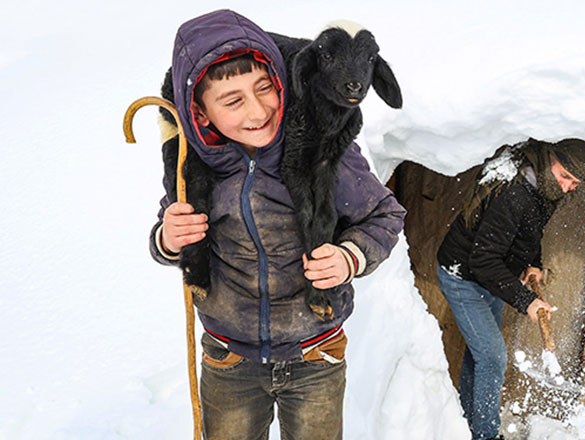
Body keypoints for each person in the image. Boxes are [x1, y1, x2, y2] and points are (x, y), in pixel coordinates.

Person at [148, 10, 405, 440]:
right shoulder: (195, 168)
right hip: (227, 358)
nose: (257, 110)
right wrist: (168, 239)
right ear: (201, 114)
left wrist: (349, 256)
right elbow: (168, 227)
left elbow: (385, 215)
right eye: (232, 101)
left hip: (314, 355)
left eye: (264, 88)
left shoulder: (322, 152)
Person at [436, 138, 585, 440]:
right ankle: (486, 435)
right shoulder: (514, 193)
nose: (567, 187)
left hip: (495, 276)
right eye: (566, 178)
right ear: (550, 160)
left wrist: (533, 262)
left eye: (574, 183)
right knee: (493, 357)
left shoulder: (544, 187)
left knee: (480, 354)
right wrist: (527, 301)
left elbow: (529, 230)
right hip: (463, 276)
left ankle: (467, 423)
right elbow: (482, 260)